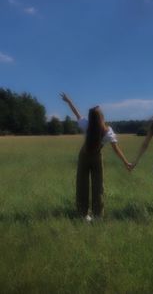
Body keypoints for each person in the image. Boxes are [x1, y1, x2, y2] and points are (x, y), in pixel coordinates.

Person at [60, 92, 131, 221]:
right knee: (98, 186)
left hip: (83, 157)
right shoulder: (108, 131)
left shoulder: (87, 125)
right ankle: (98, 215)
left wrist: (69, 101)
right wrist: (126, 162)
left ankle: (83, 214)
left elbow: (77, 113)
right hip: (97, 157)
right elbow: (116, 149)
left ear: (91, 118)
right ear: (102, 117)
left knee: (82, 184)